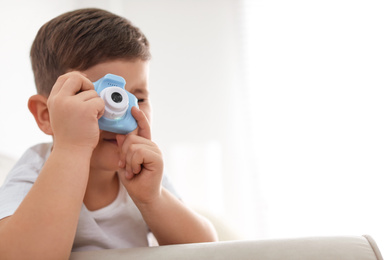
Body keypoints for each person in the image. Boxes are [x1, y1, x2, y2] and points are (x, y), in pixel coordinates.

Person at [0, 8, 218, 259]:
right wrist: (72, 148)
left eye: (138, 97)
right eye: (95, 95)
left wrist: (153, 199)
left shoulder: (143, 171)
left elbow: (208, 249)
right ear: (46, 115)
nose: (121, 111)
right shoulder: (35, 168)